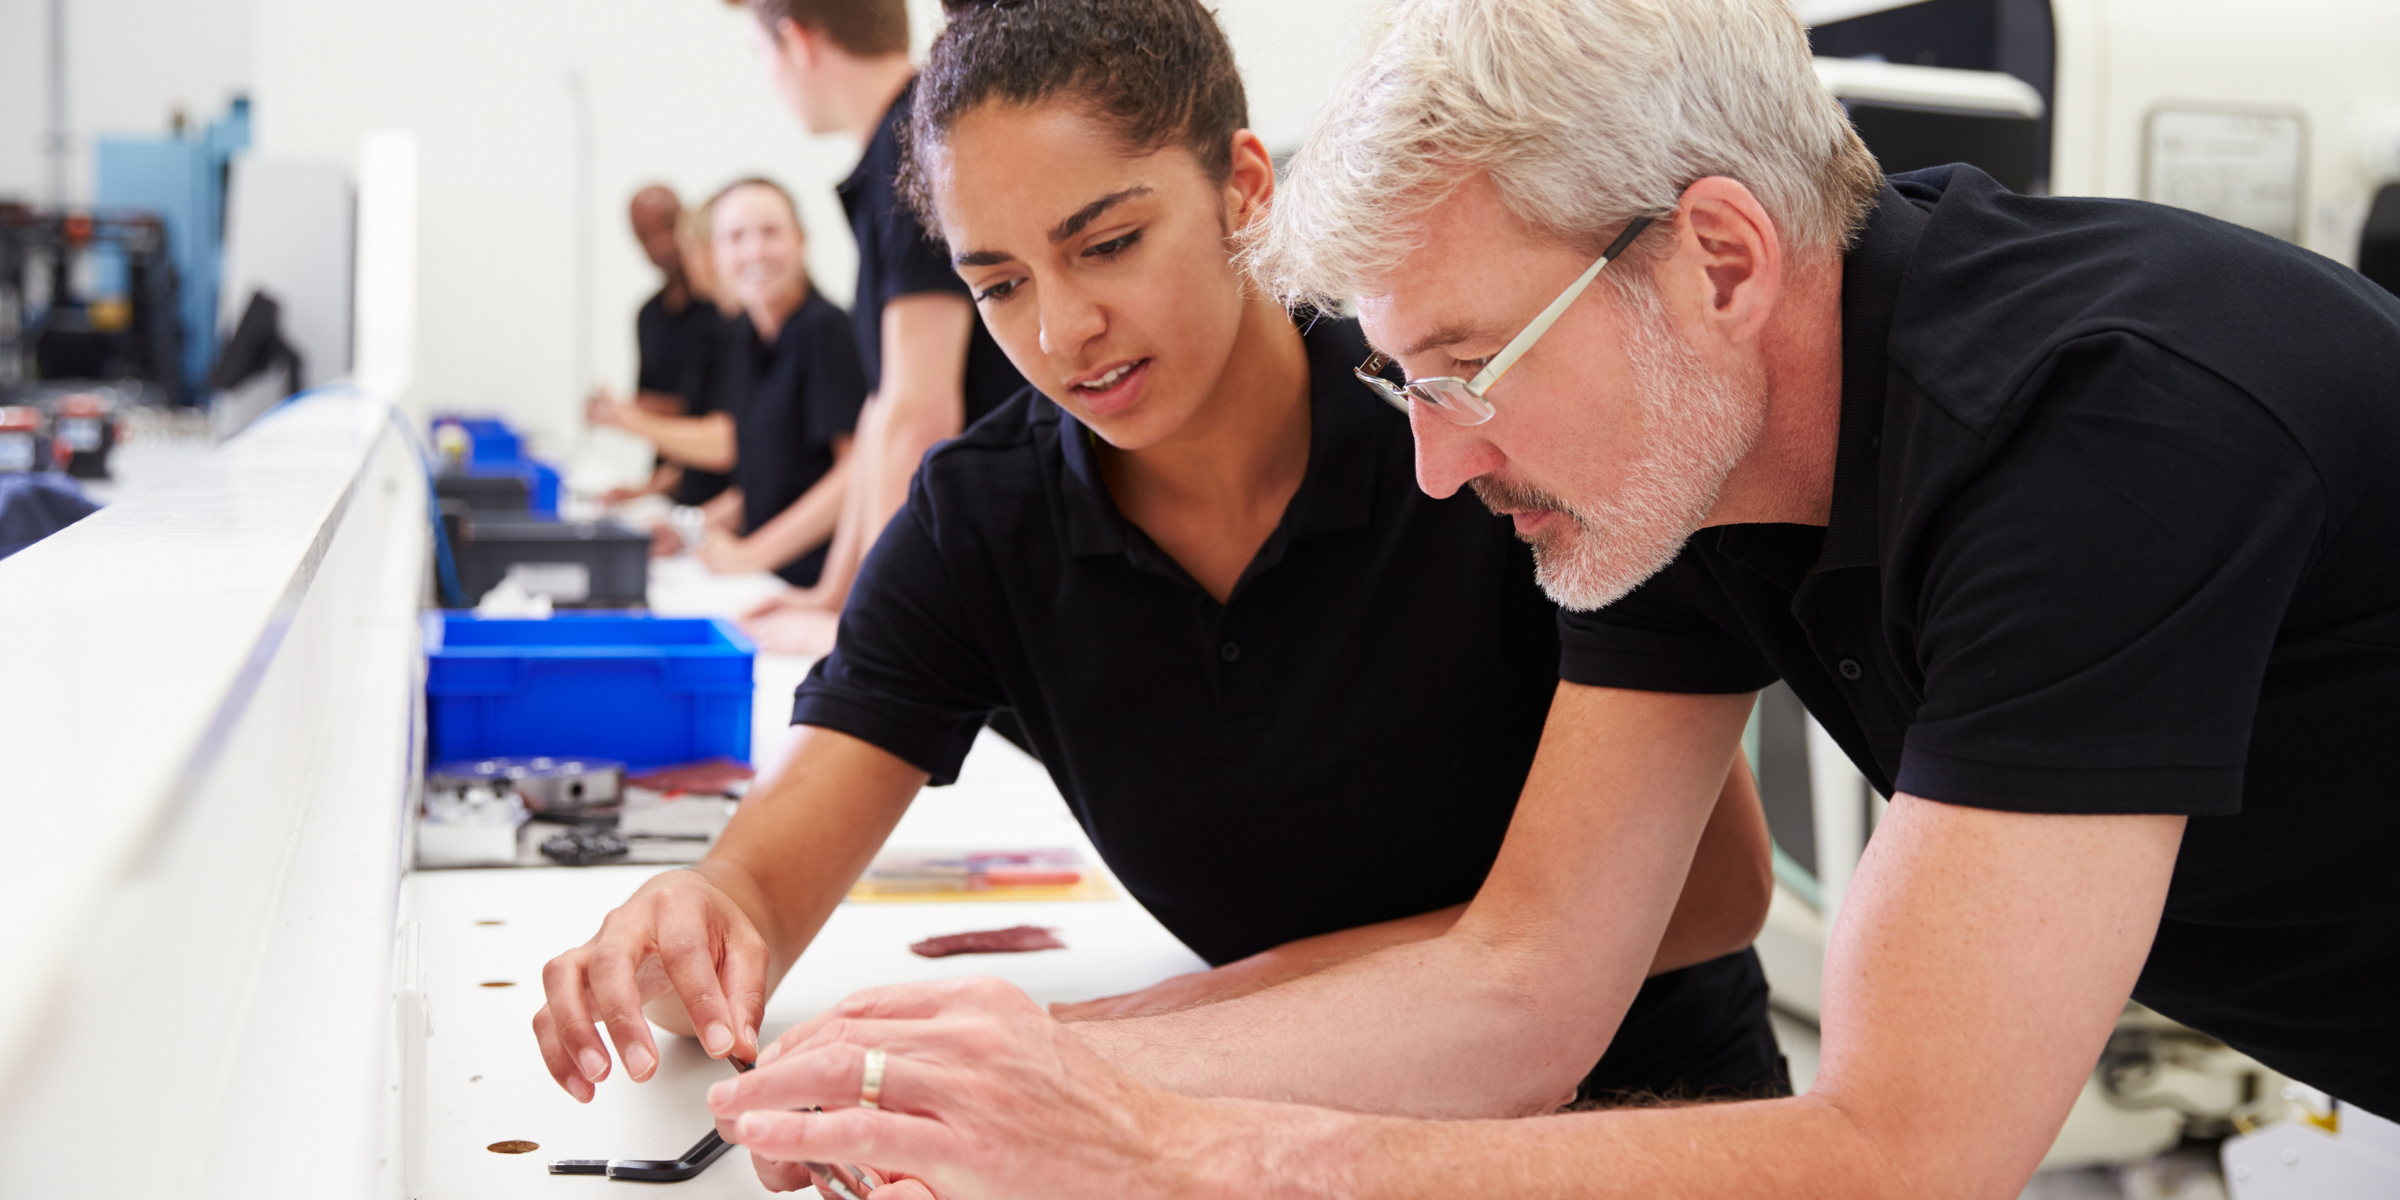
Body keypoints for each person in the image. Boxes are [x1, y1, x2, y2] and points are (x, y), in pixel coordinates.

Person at [692, 0, 2400, 1195]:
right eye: (1399, 381)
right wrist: (1006, 1079)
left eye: (1464, 367)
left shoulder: (2092, 434)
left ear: (1717, 261)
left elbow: (1911, 1151)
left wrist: (1192, 1156)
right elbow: (1527, 976)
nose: (1435, 467)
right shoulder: (1691, 461)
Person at [534, 2, 1791, 1191]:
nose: (1064, 328)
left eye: (1110, 244)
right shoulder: (982, 521)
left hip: (1644, 1131)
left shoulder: (1464, 427)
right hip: (1248, 1143)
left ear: (1246, 187)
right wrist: (696, 918)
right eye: (1000, 284)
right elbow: (768, 868)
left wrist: (1104, 1038)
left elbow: (1717, 890)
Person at [727, 0, 1028, 653]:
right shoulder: (899, 145)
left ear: (798, 43)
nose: (767, 78)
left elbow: (919, 414)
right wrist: (836, 595)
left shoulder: (917, 149)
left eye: (761, 54)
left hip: (1010, 554)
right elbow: (881, 410)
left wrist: (871, 627)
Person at [591, 179, 866, 586]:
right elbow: (764, 483)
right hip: (765, 574)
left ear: (801, 240)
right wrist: (688, 529)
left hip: (817, 580)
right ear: (713, 254)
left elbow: (855, 474)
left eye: (770, 232)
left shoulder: (824, 329)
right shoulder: (747, 341)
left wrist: (753, 552)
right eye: (735, 237)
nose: (754, 250)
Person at [597, 186, 735, 508]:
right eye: (645, 236)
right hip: (691, 501)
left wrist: (630, 419)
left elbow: (728, 442)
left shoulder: (733, 326)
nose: (662, 245)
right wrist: (648, 491)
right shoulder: (649, 316)